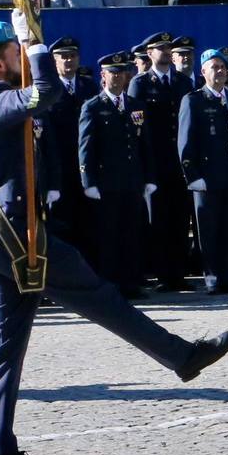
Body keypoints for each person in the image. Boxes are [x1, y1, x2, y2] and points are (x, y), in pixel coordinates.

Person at [0, 16, 228, 455]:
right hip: (17, 241)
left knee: (7, 349)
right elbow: (47, 94)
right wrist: (34, 43)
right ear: (2, 62)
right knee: (102, 297)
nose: (23, 57)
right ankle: (181, 357)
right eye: (16, 52)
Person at [79, 51, 156, 299]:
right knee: (109, 235)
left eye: (122, 72)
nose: (118, 77)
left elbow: (145, 144)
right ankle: (110, 285)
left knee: (132, 233)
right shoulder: (93, 106)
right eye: (113, 72)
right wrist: (88, 181)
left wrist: (149, 177)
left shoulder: (135, 106)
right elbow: (86, 147)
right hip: (106, 183)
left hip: (132, 181)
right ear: (103, 76)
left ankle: (131, 282)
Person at [179, 49, 228, 295]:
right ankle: (213, 279)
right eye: (214, 67)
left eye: (223, 67)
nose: (220, 71)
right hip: (207, 179)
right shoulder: (193, 100)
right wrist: (193, 176)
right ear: (203, 72)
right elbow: (186, 143)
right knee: (209, 232)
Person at [127, 32, 194, 291]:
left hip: (180, 162)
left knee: (180, 219)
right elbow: (138, 128)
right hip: (155, 162)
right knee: (158, 220)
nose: (166, 52)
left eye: (168, 48)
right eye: (160, 48)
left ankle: (179, 274)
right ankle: (162, 274)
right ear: (150, 53)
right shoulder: (141, 84)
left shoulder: (182, 82)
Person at [45, 37, 98, 260]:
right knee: (62, 225)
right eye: (63, 56)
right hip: (61, 169)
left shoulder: (89, 87)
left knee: (90, 224)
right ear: (54, 60)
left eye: (72, 56)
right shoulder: (47, 90)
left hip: (88, 168)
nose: (68, 60)